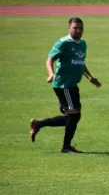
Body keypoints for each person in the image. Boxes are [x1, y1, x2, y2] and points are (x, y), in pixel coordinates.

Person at [29, 17, 101, 153]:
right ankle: (66, 147)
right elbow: (49, 60)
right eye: (75, 28)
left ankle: (38, 124)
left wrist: (90, 77)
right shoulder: (63, 43)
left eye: (80, 28)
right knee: (74, 116)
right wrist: (51, 73)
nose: (78, 30)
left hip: (73, 85)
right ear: (69, 28)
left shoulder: (83, 43)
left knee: (72, 117)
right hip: (63, 85)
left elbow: (80, 61)